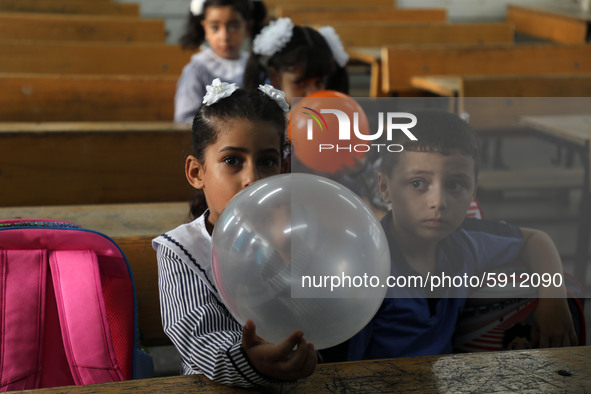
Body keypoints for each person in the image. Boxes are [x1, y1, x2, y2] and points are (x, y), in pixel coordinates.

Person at [347, 110, 578, 360]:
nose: (438, 201)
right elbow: (343, 368)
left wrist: (554, 300)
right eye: (417, 183)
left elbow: (535, 240)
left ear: (473, 190)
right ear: (385, 187)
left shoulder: (465, 242)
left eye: (455, 184)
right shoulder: (366, 267)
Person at [153, 79, 316, 387]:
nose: (252, 179)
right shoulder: (181, 250)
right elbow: (197, 339)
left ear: (282, 170)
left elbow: (320, 319)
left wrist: (285, 257)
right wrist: (251, 358)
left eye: (267, 161)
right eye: (232, 161)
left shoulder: (295, 238)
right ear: (197, 173)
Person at [174, 0, 267, 124]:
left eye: (234, 26)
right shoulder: (197, 70)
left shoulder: (256, 66)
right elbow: (184, 119)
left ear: (248, 27)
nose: (225, 37)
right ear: (205, 28)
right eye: (214, 27)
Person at [243, 17, 350, 105]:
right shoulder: (260, 123)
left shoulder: (335, 118)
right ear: (274, 76)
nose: (311, 93)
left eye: (319, 82)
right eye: (299, 82)